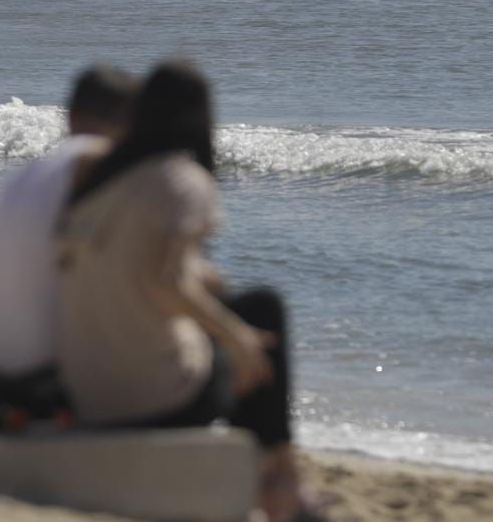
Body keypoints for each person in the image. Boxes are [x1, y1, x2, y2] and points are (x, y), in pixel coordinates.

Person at [55, 61, 309, 522]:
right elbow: (164, 281)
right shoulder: (182, 179)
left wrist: (216, 302)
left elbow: (143, 269)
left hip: (86, 394)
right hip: (153, 400)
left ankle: (276, 483)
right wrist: (234, 335)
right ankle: (283, 486)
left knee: (244, 312)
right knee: (261, 315)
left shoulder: (99, 183)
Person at [0, 66, 138, 383]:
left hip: (0, 364)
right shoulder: (100, 165)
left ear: (69, 115)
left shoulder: (23, 175)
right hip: (53, 376)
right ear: (129, 120)